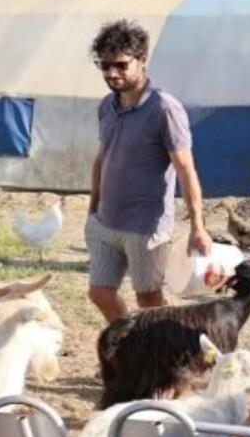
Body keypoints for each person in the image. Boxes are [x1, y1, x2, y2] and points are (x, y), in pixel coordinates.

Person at [85, 19, 211, 323]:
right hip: (105, 223)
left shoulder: (164, 108)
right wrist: (92, 211)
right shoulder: (106, 106)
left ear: (143, 60)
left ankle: (159, 361)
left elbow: (185, 170)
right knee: (99, 293)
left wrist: (198, 227)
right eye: (104, 65)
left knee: (150, 301)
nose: (111, 73)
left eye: (120, 64)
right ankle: (132, 347)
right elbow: (103, 158)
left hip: (146, 227)